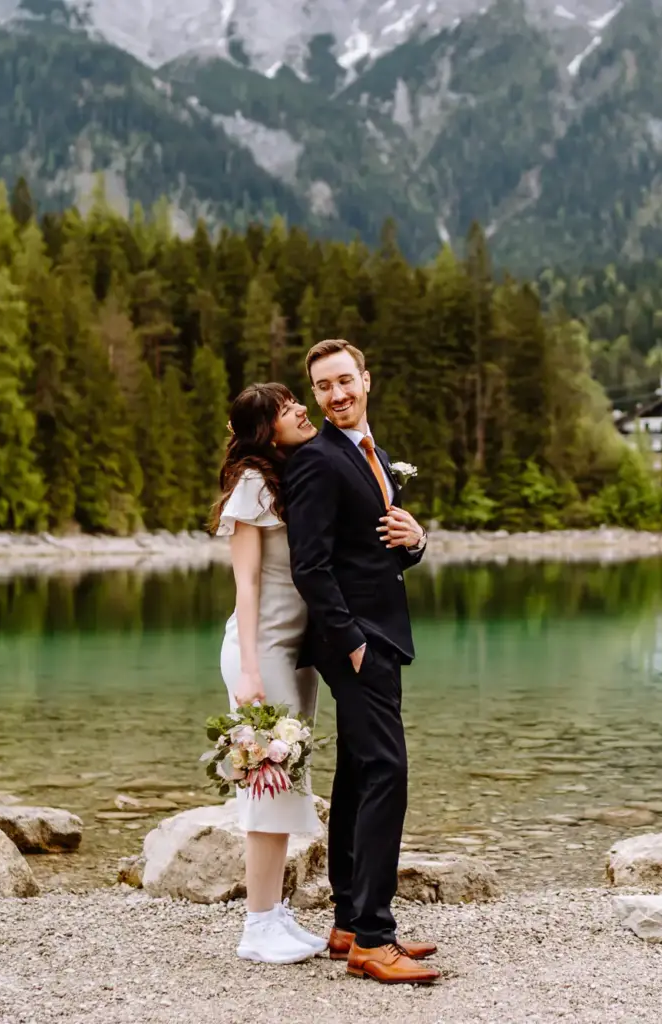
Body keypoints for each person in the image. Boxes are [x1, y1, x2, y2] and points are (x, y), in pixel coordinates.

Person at [283, 339, 440, 985]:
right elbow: (310, 566)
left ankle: (349, 920)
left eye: (344, 381)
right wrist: (351, 640)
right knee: (387, 776)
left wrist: (416, 542)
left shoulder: (367, 454)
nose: (336, 394)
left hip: (375, 635)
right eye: (323, 387)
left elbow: (370, 549)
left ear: (366, 380)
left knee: (357, 774)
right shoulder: (318, 461)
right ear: (316, 394)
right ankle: (375, 940)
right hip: (357, 643)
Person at [210, 382, 327, 965]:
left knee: (284, 781)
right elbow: (247, 585)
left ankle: (275, 912)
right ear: (265, 430)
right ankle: (257, 927)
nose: (302, 408)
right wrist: (250, 675)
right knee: (267, 785)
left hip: (290, 654)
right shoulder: (253, 484)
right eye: (286, 409)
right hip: (261, 653)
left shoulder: (286, 476)